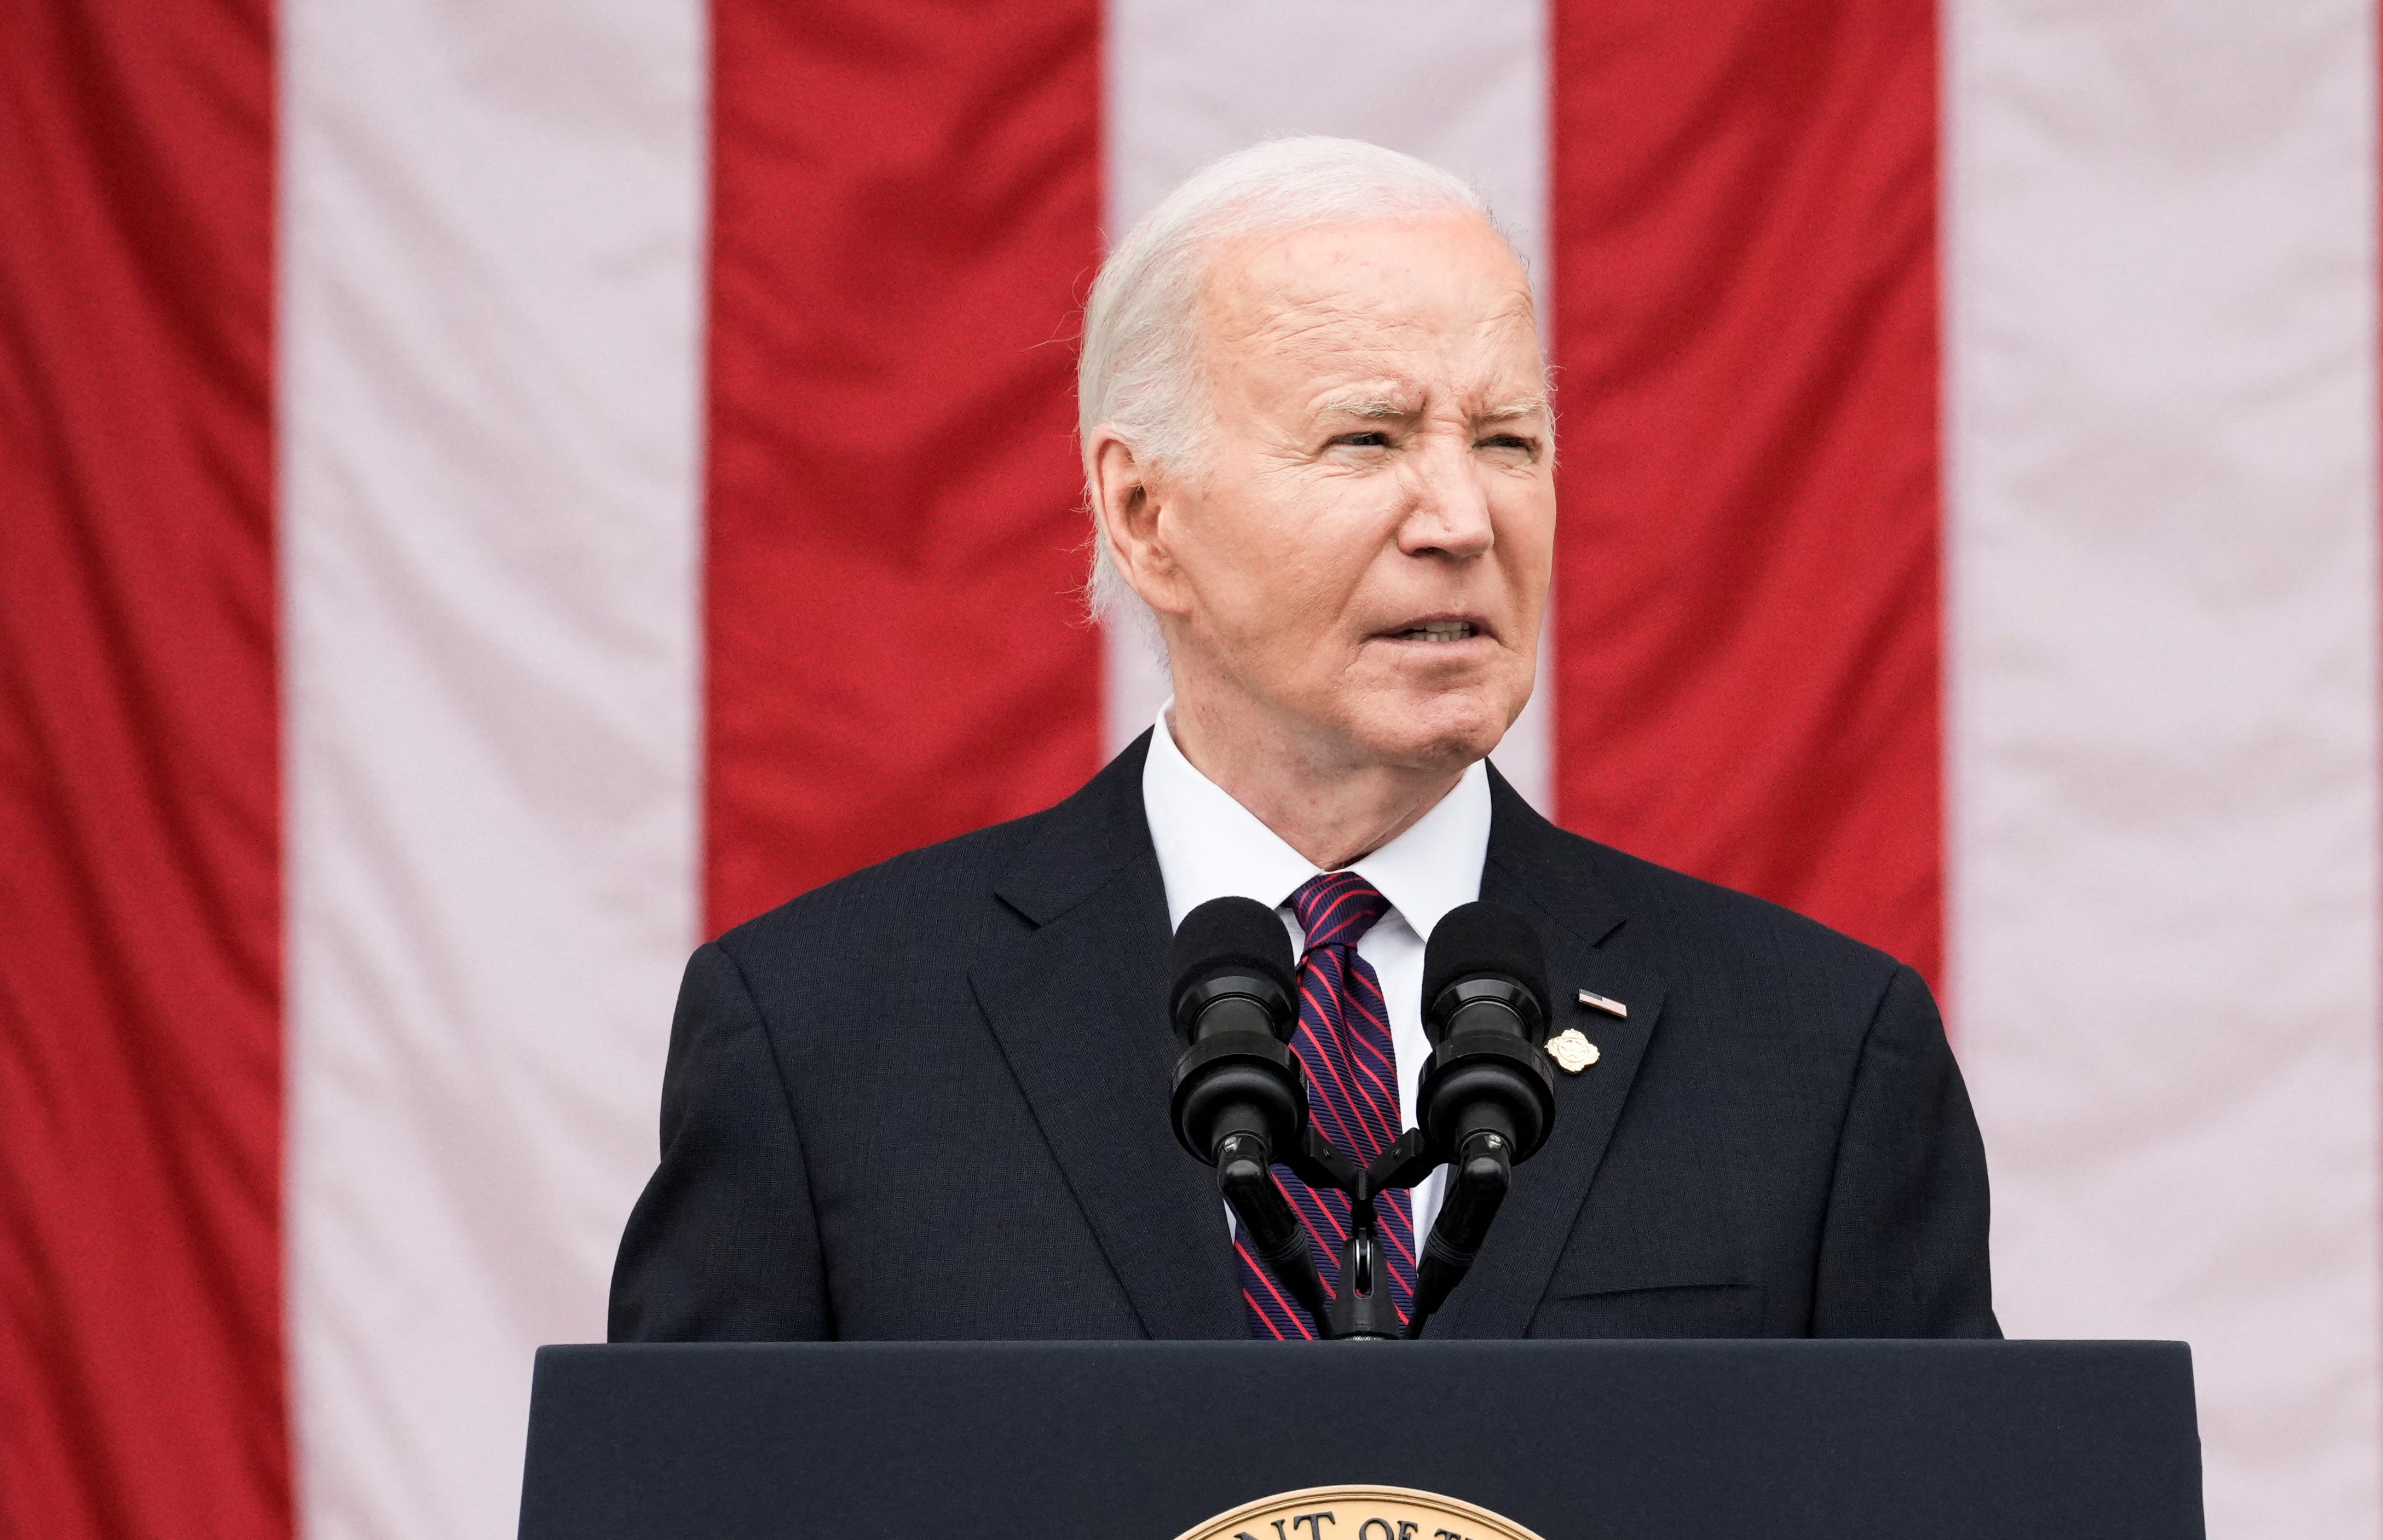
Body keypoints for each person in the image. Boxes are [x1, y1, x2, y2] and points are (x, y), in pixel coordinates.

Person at [609, 137, 1995, 1342]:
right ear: (1145, 517)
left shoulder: (1817, 1057)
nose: (1461, 518)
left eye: (1507, 441)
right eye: (1367, 440)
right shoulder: (823, 1042)